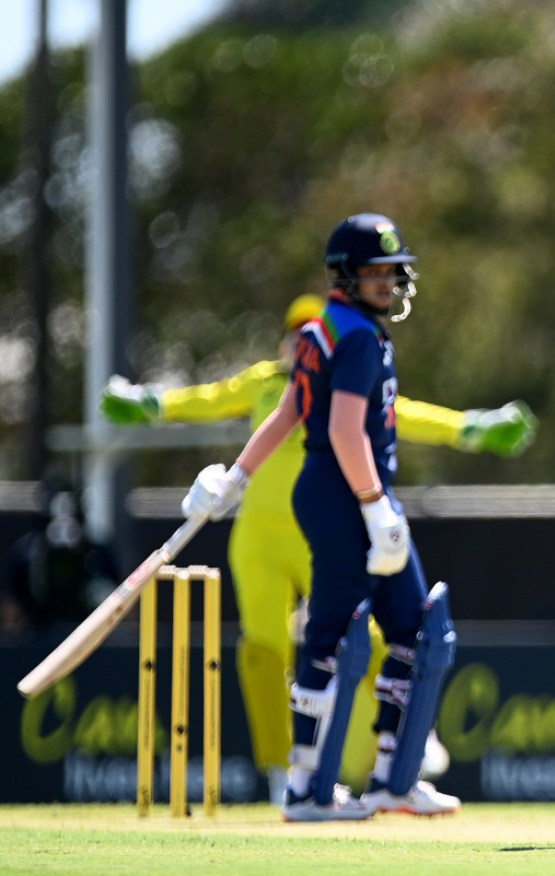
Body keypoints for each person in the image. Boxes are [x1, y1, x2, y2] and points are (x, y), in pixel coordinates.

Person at [101, 296, 536, 803]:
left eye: (308, 332)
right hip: (260, 542)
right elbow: (208, 398)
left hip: (320, 535)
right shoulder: (265, 382)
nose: (298, 342)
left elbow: (402, 415)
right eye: (292, 332)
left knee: (370, 640)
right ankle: (281, 774)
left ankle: (410, 740)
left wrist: (470, 427)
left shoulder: (345, 382)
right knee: (263, 654)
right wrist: (148, 403)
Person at [181, 212, 471, 821]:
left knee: (415, 630)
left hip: (343, 493)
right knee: (331, 635)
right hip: (346, 496)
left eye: (392, 272)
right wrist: (373, 507)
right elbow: (339, 428)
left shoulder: (325, 329)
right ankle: (306, 788)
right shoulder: (356, 335)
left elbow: (288, 410)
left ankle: (396, 776)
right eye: (373, 273)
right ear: (344, 276)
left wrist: (237, 476)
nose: (386, 283)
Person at [1, 476, 119, 634]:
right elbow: (11, 609)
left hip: (87, 633)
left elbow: (120, 601)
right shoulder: (25, 554)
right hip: (37, 633)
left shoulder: (96, 554)